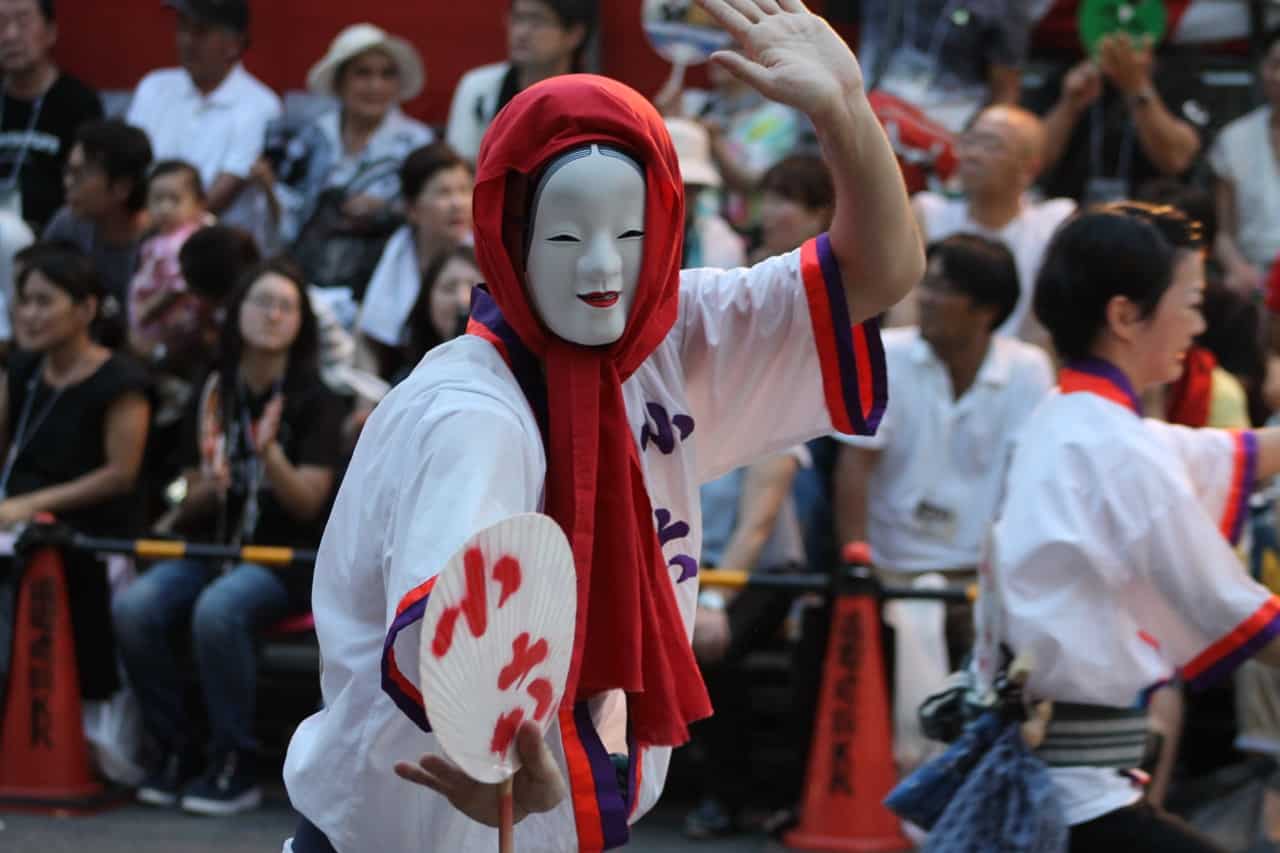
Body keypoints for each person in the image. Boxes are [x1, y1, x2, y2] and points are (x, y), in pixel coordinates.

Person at [281, 0, 923, 849]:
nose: (600, 266)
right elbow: (450, 631)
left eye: (629, 231)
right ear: (508, 235)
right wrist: (494, 749)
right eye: (564, 235)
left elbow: (876, 276)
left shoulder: (664, 334)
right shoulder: (469, 415)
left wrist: (845, 112)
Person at [973, 201, 1280, 851]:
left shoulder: (1066, 413)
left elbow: (1211, 454)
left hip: (1055, 777)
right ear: (1124, 316)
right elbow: (1226, 606)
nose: (1198, 325)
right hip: (1077, 794)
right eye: (1190, 303)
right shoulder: (1115, 444)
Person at [113, 257, 346, 817]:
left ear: (301, 323)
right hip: (214, 546)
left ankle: (233, 761)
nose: (273, 315)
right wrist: (198, 491)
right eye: (262, 302)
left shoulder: (317, 399)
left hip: (285, 560)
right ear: (237, 312)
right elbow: (182, 488)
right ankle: (174, 749)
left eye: (286, 306)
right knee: (135, 606)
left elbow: (310, 501)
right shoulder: (214, 390)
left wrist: (269, 455)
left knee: (219, 610)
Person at [0, 243, 150, 706]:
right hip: (14, 520)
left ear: (85, 309)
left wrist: (32, 504)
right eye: (24, 301)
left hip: (86, 533)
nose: (29, 314)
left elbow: (119, 474)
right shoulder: (21, 368)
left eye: (44, 301)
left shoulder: (122, 381)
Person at [682, 446, 810, 839]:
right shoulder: (665, 423)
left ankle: (726, 798)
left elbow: (757, 526)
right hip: (687, 571)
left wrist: (713, 601)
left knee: (712, 645)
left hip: (759, 575)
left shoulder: (773, 433)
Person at [263, 22, 432, 296]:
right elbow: (290, 219)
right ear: (339, 82)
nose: (376, 85)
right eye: (363, 73)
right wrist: (269, 189)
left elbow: (431, 213)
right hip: (307, 275)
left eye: (387, 74)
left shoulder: (417, 142)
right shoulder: (312, 135)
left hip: (386, 281)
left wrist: (387, 209)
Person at [906, 105, 1075, 341]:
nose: (973, 154)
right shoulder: (928, 212)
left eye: (991, 145)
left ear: (1029, 169)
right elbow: (904, 310)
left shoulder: (1052, 223)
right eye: (970, 142)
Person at [126, 0, 281, 239]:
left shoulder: (260, 105)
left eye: (200, 31)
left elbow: (221, 194)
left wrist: (156, 231)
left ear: (234, 45)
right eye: (182, 27)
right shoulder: (153, 87)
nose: (186, 40)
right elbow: (128, 166)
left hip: (213, 244)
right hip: (139, 230)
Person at [1038, 34, 1201, 205]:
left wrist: (1138, 88)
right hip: (1071, 212)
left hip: (1154, 213)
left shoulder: (1178, 72)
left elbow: (1176, 160)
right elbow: (1034, 160)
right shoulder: (1068, 69)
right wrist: (1069, 105)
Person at [356, 142, 473, 378]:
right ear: (412, 209)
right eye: (444, 193)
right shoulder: (384, 257)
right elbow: (369, 336)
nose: (457, 203)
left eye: (464, 190)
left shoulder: (488, 259)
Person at [43, 118, 152, 346]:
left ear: (121, 187)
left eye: (80, 174)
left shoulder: (160, 244)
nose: (68, 182)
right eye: (67, 171)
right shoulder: (66, 224)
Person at [444, 0, 595, 163]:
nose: (521, 32)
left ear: (574, 34)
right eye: (518, 18)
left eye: (537, 21)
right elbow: (458, 163)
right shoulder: (478, 87)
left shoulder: (593, 97)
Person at [0, 0, 103, 231]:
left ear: (50, 31)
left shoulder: (79, 103)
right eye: (1, 23)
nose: (10, 35)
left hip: (54, 238)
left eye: (23, 21)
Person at [858, 0, 1032, 133]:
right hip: (866, 104)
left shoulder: (1005, 5)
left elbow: (1005, 90)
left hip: (947, 127)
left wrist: (973, 143)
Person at [1209, 29, 1280, 295]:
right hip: (1254, 279)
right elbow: (1223, 234)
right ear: (1262, 69)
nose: (1278, 76)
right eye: (1274, 65)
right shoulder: (1234, 138)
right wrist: (1238, 270)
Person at [128, 160, 210, 365]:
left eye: (175, 200)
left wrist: (146, 312)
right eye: (157, 199)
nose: (165, 208)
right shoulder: (160, 237)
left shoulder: (182, 242)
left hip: (166, 331)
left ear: (199, 204)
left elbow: (178, 286)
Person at [666, 117, 744, 271]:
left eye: (689, 189)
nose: (679, 198)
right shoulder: (626, 231)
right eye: (670, 187)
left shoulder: (720, 241)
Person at [753, 153, 832, 263]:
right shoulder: (757, 266)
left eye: (777, 201)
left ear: (818, 214)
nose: (765, 212)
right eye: (764, 200)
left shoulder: (839, 268)